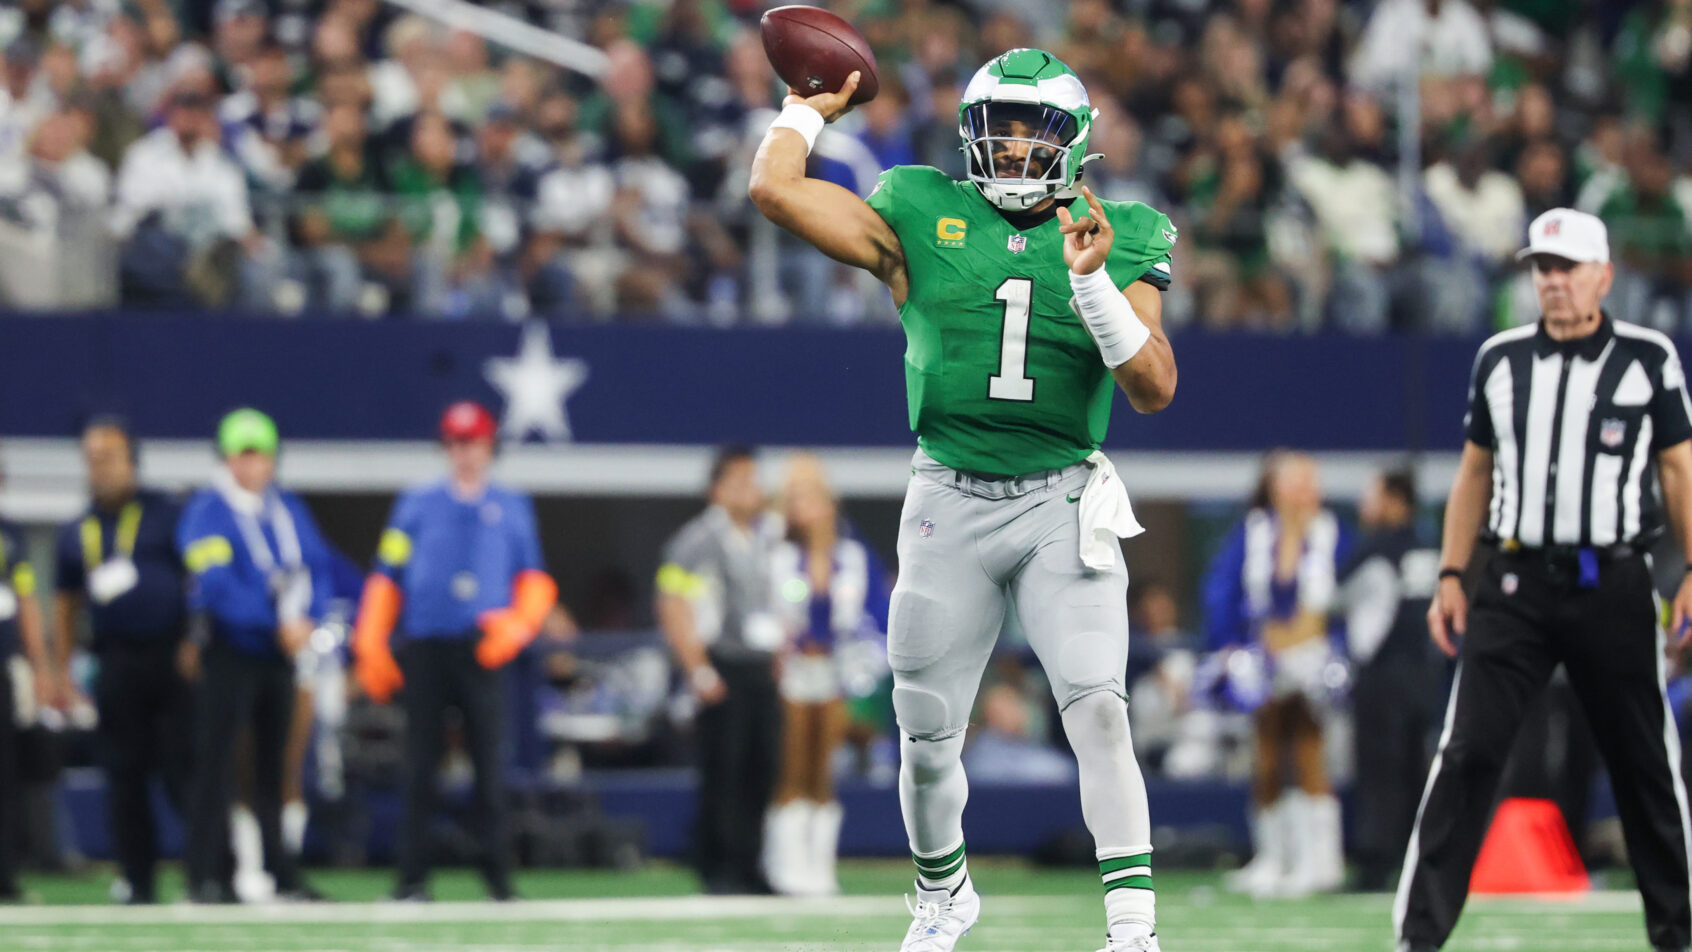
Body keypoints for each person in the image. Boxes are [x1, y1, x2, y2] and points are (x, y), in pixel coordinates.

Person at [749, 48, 1179, 952]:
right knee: (926, 731)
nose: (1015, 147)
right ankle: (943, 894)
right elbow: (776, 191)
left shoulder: (1125, 227)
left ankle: (1133, 929)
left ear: (1076, 142)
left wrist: (1094, 282)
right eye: (1000, 127)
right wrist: (803, 111)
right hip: (947, 490)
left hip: (1062, 495)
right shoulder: (919, 204)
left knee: (1099, 703)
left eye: (1034, 130)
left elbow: (1152, 386)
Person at [1398, 208, 1692, 952]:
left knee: (1645, 763)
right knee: (1466, 755)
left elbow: (1679, 470)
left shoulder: (1648, 357)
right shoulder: (1500, 359)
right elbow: (1474, 472)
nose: (1553, 283)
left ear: (1603, 275)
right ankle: (1418, 937)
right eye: (1542, 269)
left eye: (1566, 268)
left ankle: (1677, 933)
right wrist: (1453, 573)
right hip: (1515, 583)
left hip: (1615, 583)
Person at [352, 401, 555, 902]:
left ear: (490, 447)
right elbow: (388, 572)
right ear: (447, 447)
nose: (466, 453)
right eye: (457, 443)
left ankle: (498, 877)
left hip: (484, 648)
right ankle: (412, 877)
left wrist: (518, 625)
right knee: (420, 764)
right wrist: (371, 637)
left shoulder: (512, 505)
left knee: (490, 764)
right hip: (426, 644)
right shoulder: (417, 504)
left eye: (475, 442)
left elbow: (533, 577)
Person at [178, 409, 331, 903]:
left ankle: (280, 873)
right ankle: (205, 874)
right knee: (216, 765)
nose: (251, 466)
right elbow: (217, 587)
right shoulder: (207, 511)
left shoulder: (286, 509)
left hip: (279, 656)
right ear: (226, 459)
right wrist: (277, 624)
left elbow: (318, 567)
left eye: (259, 455)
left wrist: (307, 619)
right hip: (230, 652)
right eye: (242, 456)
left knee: (276, 767)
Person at [49, 418, 191, 904]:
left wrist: (194, 640)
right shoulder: (77, 529)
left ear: (132, 459)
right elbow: (66, 603)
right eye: (92, 458)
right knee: (123, 774)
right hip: (114, 660)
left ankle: (209, 872)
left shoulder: (165, 513)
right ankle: (137, 878)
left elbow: (195, 578)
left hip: (170, 656)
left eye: (109, 456)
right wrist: (63, 670)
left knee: (182, 769)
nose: (100, 467)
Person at [1204, 451, 1350, 899]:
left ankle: (1320, 860)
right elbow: (1222, 591)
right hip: (1264, 657)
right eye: (1298, 481)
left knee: (1308, 750)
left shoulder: (1334, 535)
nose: (1309, 490)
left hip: (1316, 659)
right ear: (1276, 488)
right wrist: (1230, 646)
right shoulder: (1252, 534)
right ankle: (1273, 857)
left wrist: (1332, 647)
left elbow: (1345, 597)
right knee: (1266, 754)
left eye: (1312, 481)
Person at [656, 445, 781, 896]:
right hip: (721, 664)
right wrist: (698, 669)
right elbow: (673, 604)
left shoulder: (767, 536)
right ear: (717, 489)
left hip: (759, 665)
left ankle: (750, 865)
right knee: (723, 770)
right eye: (741, 481)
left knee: (760, 767)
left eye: (755, 480)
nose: (753, 490)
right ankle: (718, 867)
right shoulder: (697, 540)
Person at [764, 454, 891, 896]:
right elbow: (763, 614)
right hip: (790, 672)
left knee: (824, 772)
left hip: (839, 673)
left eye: (812, 496)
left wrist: (864, 673)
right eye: (795, 498)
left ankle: (819, 868)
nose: (805, 507)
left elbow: (878, 616)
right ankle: (784, 866)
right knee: (791, 767)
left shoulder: (854, 557)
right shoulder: (776, 555)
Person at [1334, 467, 1443, 892]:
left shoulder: (1376, 546)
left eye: (1373, 496)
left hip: (1382, 673)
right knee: (1416, 768)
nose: (1365, 505)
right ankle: (1416, 860)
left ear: (1396, 500)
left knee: (1379, 770)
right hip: (1424, 673)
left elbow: (1333, 593)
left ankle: (1375, 862)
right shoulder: (1428, 545)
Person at [0, 467, 48, 902]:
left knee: (5, 772)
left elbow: (27, 600)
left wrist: (40, 667)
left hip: (2, 666)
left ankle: (4, 874)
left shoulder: (9, 535)